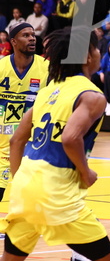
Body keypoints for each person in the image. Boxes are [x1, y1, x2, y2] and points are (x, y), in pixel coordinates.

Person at [0, 26, 110, 261]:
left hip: (25, 186)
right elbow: (70, 138)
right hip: (56, 193)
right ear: (87, 56)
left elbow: (17, 140)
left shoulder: (47, 92)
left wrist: (19, 182)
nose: (99, 54)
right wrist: (86, 173)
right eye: (97, 49)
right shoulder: (92, 96)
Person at [0, 24, 49, 201]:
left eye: (33, 35)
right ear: (13, 41)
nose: (31, 38)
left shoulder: (47, 68)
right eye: (25, 35)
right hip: (2, 146)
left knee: (35, 196)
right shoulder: (2, 67)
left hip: (33, 146)